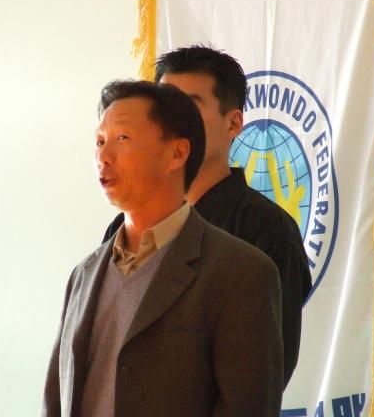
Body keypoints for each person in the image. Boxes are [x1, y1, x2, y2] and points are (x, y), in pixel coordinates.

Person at [43, 80, 283, 417]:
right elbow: (55, 400)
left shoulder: (240, 274)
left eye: (122, 138)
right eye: (99, 141)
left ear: (177, 153)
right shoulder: (83, 276)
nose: (103, 157)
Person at [103, 46, 312, 387]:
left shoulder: (265, 229)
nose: (173, 123)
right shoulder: (125, 225)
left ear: (234, 123)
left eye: (189, 107)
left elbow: (261, 381)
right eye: (164, 109)